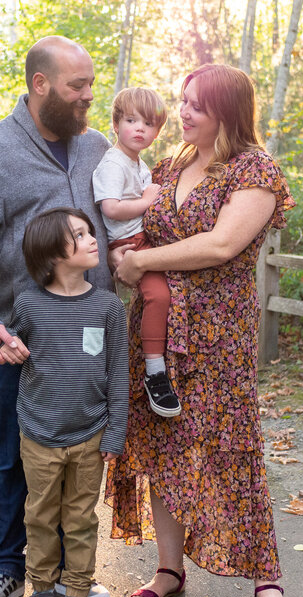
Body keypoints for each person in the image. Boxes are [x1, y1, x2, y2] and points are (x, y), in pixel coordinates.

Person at [106, 64, 295, 597]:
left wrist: (142, 265)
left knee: (230, 445)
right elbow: (129, 222)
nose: (182, 112)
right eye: (182, 100)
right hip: (159, 335)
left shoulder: (253, 170)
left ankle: (265, 574)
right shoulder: (170, 166)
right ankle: (168, 572)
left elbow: (220, 246)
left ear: (226, 113)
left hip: (220, 333)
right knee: (166, 446)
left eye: (196, 104)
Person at [0, 35, 120, 597]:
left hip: (91, 335)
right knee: (11, 456)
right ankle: (6, 568)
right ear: (39, 85)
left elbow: (122, 219)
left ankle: (69, 578)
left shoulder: (99, 147)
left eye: (91, 85)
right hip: (19, 339)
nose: (88, 97)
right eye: (78, 86)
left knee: (77, 462)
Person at [9, 208, 129, 597]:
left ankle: (77, 588)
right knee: (40, 517)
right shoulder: (28, 305)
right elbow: (12, 349)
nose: (92, 239)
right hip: (39, 435)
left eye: (90, 232)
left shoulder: (108, 307)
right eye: (79, 235)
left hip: (91, 435)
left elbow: (118, 372)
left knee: (80, 519)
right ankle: (42, 588)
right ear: (52, 253)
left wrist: (115, 433)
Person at [92, 87, 179, 418]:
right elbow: (112, 209)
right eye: (131, 120)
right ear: (116, 125)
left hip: (146, 237)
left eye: (149, 123)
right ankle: (154, 372)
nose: (140, 128)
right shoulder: (113, 164)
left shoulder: (138, 163)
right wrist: (148, 201)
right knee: (158, 295)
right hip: (131, 242)